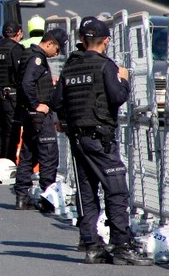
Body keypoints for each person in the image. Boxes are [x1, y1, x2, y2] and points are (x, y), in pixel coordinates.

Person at [53, 17, 152, 266]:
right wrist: (125, 79)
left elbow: (56, 102)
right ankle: (121, 245)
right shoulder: (105, 66)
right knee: (116, 190)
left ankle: (92, 245)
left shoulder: (70, 67)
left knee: (87, 192)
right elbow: (117, 96)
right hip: (101, 139)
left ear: (82, 39)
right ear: (106, 41)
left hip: (77, 139)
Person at [13, 28, 68, 211]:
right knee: (48, 155)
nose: (57, 54)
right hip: (39, 116)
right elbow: (27, 82)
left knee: (28, 154)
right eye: (57, 49)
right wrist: (36, 104)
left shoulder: (28, 54)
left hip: (28, 115)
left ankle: (22, 197)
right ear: (50, 43)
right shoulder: (37, 58)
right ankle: (48, 199)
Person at [0, 21, 25, 161]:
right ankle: (9, 162)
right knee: (12, 130)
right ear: (18, 33)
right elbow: (21, 73)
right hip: (11, 95)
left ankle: (1, 160)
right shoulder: (16, 49)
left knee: (1, 130)